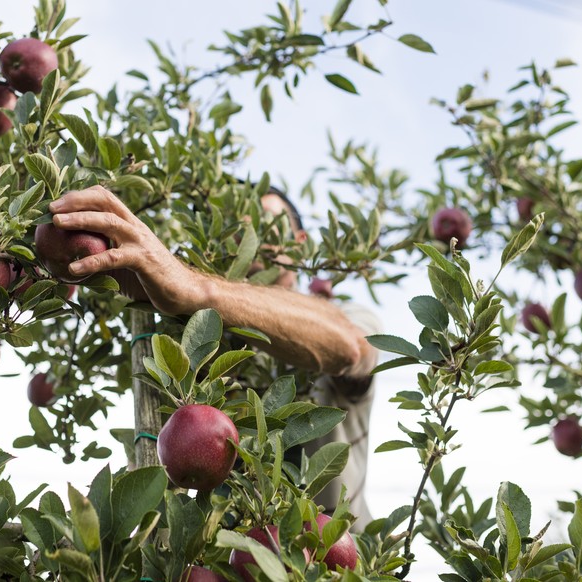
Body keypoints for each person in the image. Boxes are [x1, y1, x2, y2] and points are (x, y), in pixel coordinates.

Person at [46, 184, 381, 530]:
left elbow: (348, 347)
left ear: (299, 242)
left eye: (265, 223)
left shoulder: (348, 315)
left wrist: (195, 286)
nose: (252, 235)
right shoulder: (207, 337)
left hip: (337, 557)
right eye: (240, 227)